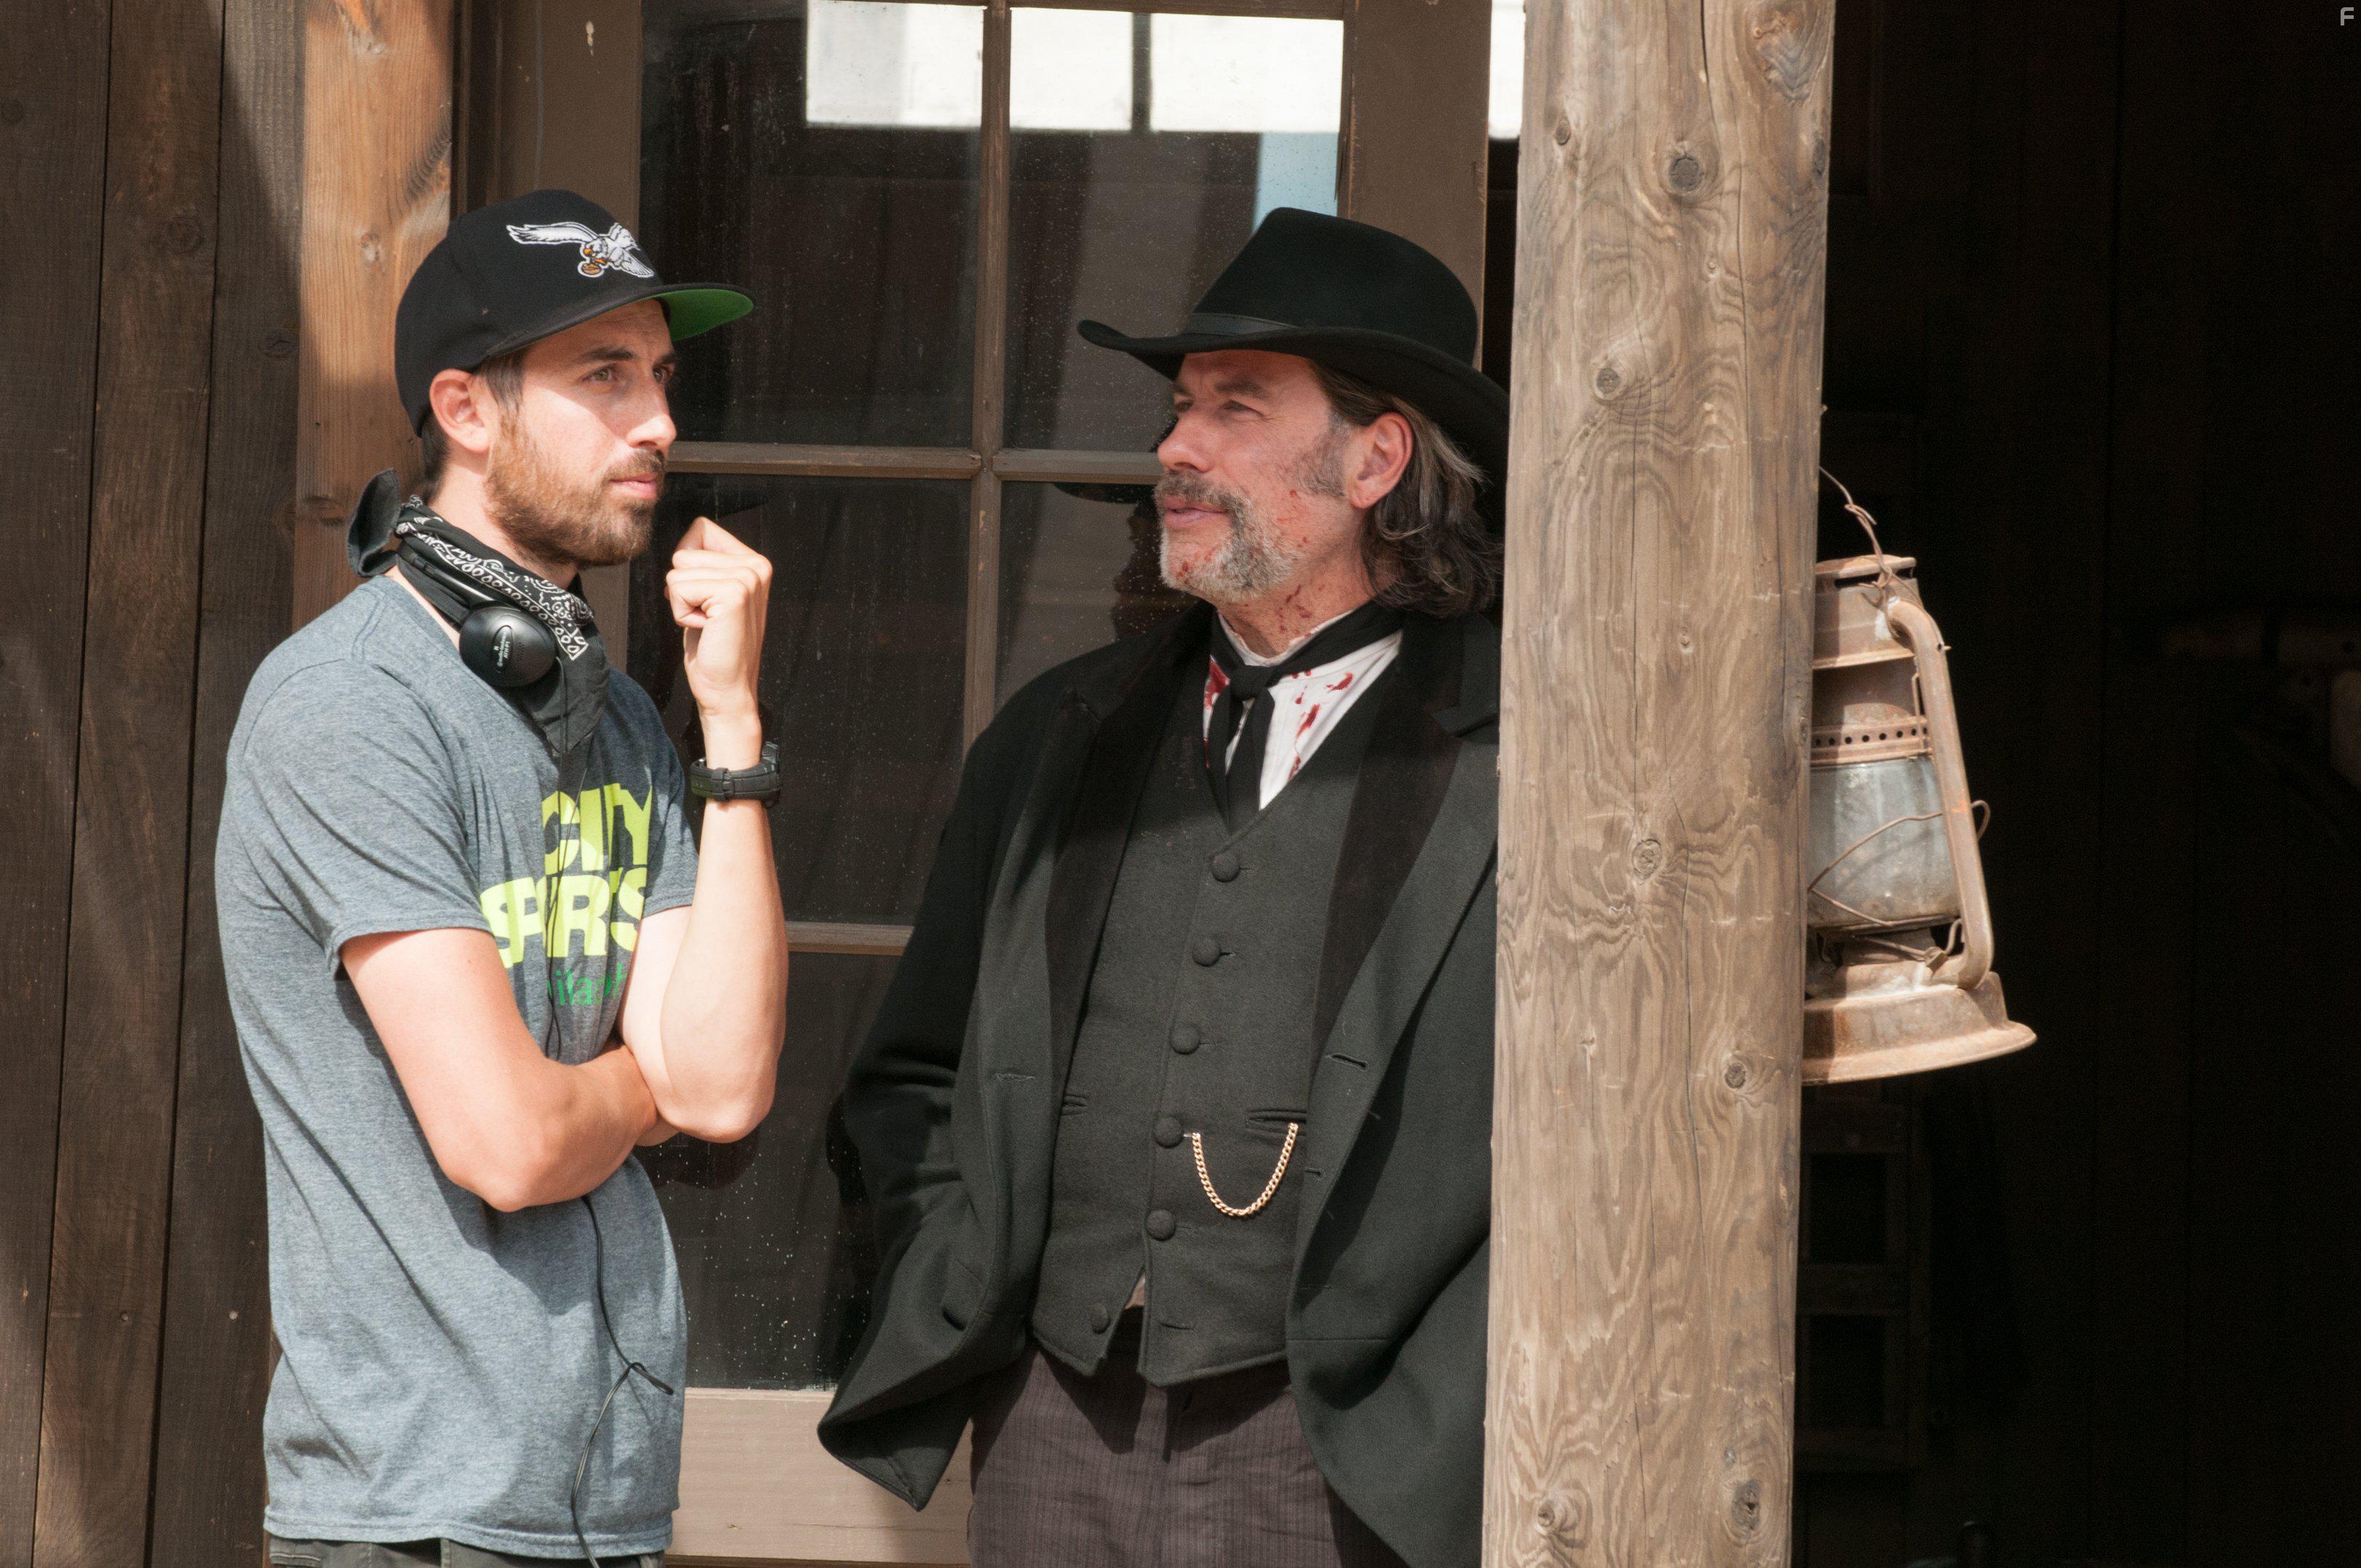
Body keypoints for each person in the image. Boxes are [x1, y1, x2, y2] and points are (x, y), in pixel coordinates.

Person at [820, 208, 1507, 1568]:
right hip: (1051, 1425)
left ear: (1375, 459)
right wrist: (964, 1282)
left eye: (1234, 409)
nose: (1174, 450)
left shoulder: (1524, 760)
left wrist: (1448, 1403)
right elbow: (913, 1072)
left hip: (1351, 1454)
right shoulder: (1057, 736)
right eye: (1180, 409)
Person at [216, 190, 789, 1566]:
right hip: (412, 1515)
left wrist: (730, 728)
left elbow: (720, 1088)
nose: (659, 422)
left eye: (660, 378)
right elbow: (511, 1144)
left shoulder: (625, 719)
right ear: (466, 409)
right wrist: (639, 1090)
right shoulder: (352, 708)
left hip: (604, 1499)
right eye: (606, 377)